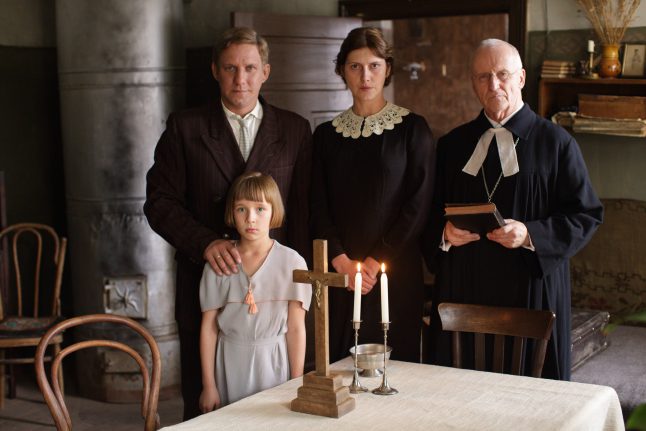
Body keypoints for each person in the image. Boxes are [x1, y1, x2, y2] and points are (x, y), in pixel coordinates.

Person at [144, 27, 312, 419]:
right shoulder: (185, 127)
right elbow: (159, 201)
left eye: (250, 68)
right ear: (215, 71)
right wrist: (204, 242)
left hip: (275, 290)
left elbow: (304, 210)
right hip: (205, 281)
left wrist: (301, 282)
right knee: (206, 405)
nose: (241, 79)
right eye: (230, 68)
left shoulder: (294, 129)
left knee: (278, 408)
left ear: (265, 72)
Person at [423, 39, 603, 380]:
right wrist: (443, 233)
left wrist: (530, 233)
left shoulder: (556, 143)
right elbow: (427, 213)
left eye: (502, 74)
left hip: (530, 289)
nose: (493, 85)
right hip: (465, 288)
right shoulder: (452, 145)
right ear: (473, 83)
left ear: (520, 78)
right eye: (483, 76)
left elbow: (586, 215)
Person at [310, 27, 436, 363]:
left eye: (374, 66)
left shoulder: (413, 129)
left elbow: (418, 205)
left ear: (388, 69)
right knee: (341, 368)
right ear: (342, 70)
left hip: (394, 272)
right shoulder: (325, 136)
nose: (365, 76)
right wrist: (340, 260)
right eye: (355, 66)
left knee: (396, 371)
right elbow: (317, 203)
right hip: (341, 275)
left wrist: (373, 262)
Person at [198, 172, 311, 411]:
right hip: (229, 363)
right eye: (242, 209)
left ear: (273, 211)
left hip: (274, 363)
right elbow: (209, 328)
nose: (251, 218)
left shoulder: (293, 263)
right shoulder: (219, 262)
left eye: (260, 209)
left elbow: (296, 328)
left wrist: (296, 381)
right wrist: (209, 385)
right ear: (232, 213)